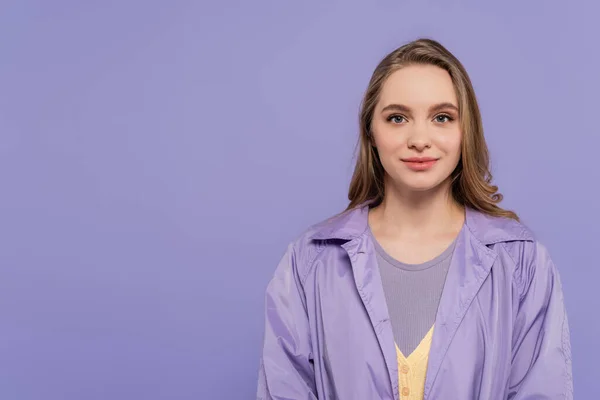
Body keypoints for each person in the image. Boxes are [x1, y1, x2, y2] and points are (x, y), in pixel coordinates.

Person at [256, 38, 573, 400]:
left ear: (464, 130)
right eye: (397, 118)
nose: (419, 139)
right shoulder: (310, 263)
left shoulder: (522, 263)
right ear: (371, 133)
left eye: (442, 117)